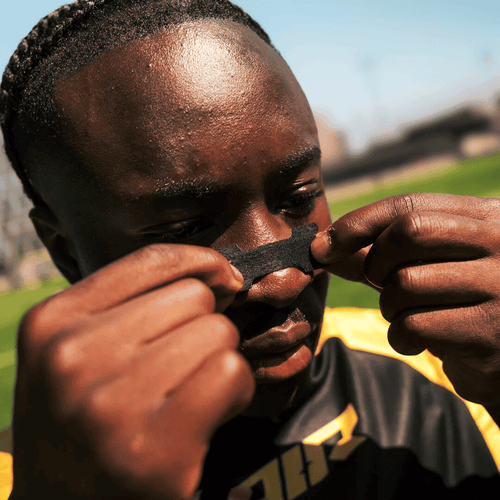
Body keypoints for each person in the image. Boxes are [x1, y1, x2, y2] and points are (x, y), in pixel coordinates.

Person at [0, 0, 499, 498]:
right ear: (66, 253)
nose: (281, 283)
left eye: (299, 198)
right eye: (186, 227)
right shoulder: (28, 482)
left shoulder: (435, 367)